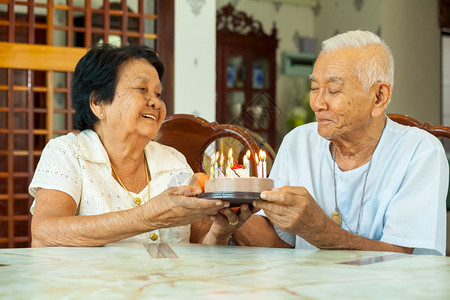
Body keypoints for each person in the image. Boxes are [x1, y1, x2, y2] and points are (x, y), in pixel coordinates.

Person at [232, 30, 448, 255]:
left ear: (379, 97)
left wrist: (318, 229)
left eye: (333, 90)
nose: (316, 103)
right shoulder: (298, 142)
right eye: (314, 88)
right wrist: (232, 215)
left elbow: (403, 261)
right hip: (305, 288)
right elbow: (279, 241)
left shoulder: (420, 153)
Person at [29, 44, 248, 247]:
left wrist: (220, 231)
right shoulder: (68, 152)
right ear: (98, 103)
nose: (155, 102)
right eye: (141, 89)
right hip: (94, 287)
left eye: (158, 93)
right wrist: (150, 216)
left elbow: (200, 241)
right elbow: (45, 231)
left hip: (170, 285)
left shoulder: (173, 161)